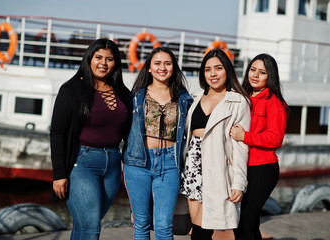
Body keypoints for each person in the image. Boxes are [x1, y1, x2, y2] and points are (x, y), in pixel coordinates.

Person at [50, 39, 131, 240]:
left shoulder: (122, 92)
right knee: (90, 228)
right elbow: (58, 132)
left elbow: (130, 130)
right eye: (98, 57)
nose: (103, 63)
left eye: (109, 59)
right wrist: (59, 174)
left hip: (112, 163)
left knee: (84, 226)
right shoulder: (71, 90)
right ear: (89, 58)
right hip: (82, 162)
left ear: (116, 63)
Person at [123, 47, 193, 240]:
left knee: (163, 226)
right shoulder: (136, 97)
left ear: (173, 68)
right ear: (149, 68)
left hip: (170, 162)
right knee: (142, 224)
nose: (163, 67)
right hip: (138, 162)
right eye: (158, 63)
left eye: (168, 63)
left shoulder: (184, 98)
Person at [180, 49, 251, 240]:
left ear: (227, 71)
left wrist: (239, 183)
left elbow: (240, 146)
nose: (213, 73)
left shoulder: (238, 101)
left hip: (217, 170)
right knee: (196, 225)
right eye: (208, 69)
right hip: (192, 168)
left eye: (218, 68)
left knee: (203, 230)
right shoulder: (194, 99)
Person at [230, 53, 289, 240]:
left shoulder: (274, 102)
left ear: (269, 76)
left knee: (245, 221)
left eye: (262, 72)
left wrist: (244, 136)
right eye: (253, 70)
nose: (255, 75)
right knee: (248, 224)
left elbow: (275, 139)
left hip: (263, 168)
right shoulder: (241, 97)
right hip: (241, 166)